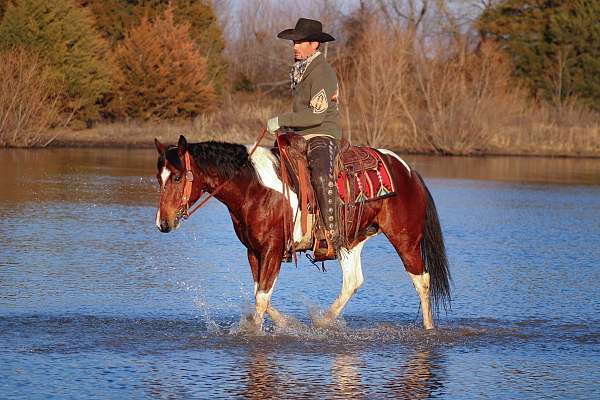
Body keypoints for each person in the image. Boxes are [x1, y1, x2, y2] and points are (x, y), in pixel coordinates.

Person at [266, 18, 342, 256]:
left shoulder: (323, 72)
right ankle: (284, 229)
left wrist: (282, 120)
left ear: (314, 45)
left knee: (320, 175)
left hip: (322, 133)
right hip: (300, 135)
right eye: (294, 42)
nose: (294, 46)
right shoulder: (301, 70)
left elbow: (316, 115)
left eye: (299, 42)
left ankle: (331, 236)